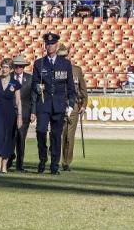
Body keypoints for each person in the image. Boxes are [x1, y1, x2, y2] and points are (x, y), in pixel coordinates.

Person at [31, 33, 75, 175]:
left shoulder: (66, 64)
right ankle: (43, 158)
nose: (49, 46)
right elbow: (34, 85)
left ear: (57, 45)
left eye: (52, 44)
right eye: (47, 44)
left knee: (56, 136)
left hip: (59, 105)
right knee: (41, 131)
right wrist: (37, 87)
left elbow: (70, 88)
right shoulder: (39, 63)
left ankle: (54, 165)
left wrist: (71, 105)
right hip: (43, 104)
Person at [0, 58, 22, 174]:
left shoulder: (15, 83)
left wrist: (19, 116)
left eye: (7, 67)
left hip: (10, 113)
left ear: (11, 69)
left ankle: (4, 166)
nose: (4, 69)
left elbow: (18, 101)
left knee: (8, 138)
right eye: (3, 67)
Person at [60, 45, 88, 171]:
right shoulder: (54, 70)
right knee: (58, 135)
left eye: (64, 56)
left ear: (69, 55)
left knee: (69, 137)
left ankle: (66, 162)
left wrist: (84, 104)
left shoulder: (76, 70)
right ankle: (56, 159)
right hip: (58, 105)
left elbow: (83, 90)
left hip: (74, 105)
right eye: (60, 56)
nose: (63, 58)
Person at [8, 56, 33, 172]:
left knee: (21, 139)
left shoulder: (30, 79)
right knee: (9, 138)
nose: (18, 68)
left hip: (24, 113)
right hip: (9, 112)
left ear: (24, 67)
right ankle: (8, 159)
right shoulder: (8, 78)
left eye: (21, 66)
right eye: (16, 66)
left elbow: (34, 97)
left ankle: (20, 165)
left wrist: (34, 112)